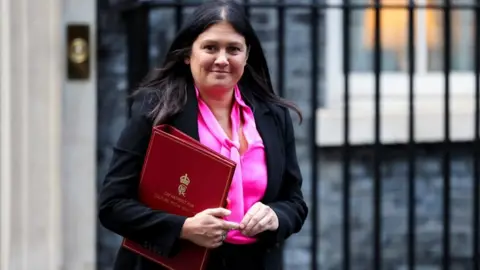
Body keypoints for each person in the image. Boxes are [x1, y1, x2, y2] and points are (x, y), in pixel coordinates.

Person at [98, 0, 308, 269]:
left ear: (246, 55)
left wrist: (276, 216)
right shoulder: (157, 112)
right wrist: (184, 227)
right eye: (210, 47)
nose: (222, 59)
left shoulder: (273, 116)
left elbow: (294, 202)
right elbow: (112, 205)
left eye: (233, 49)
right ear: (188, 54)